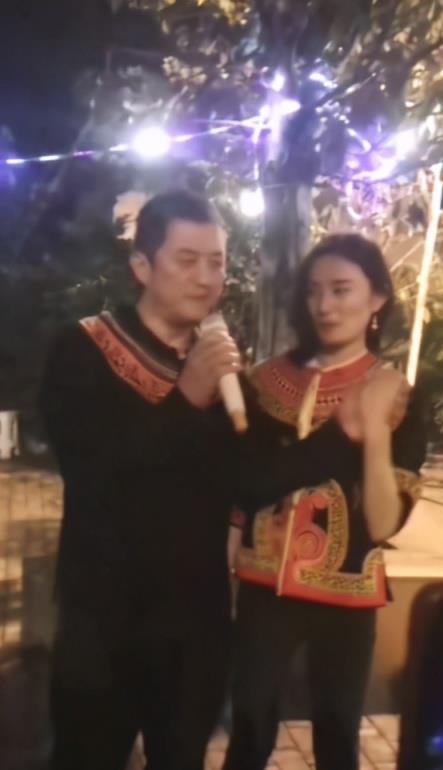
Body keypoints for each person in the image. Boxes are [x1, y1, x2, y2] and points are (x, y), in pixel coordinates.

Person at [40, 190, 247, 770]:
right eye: (187, 260)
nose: (206, 277)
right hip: (103, 621)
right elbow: (95, 474)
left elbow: (243, 477)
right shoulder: (80, 348)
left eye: (217, 261)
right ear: (141, 266)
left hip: (195, 626)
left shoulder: (222, 367)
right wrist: (187, 398)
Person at [223, 234, 427, 770]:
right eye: (314, 291)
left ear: (376, 298)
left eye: (341, 290)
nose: (325, 305)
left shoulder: (399, 396)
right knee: (249, 724)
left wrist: (375, 433)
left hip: (349, 591)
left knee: (338, 733)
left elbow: (382, 524)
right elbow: (245, 485)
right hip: (264, 584)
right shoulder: (264, 383)